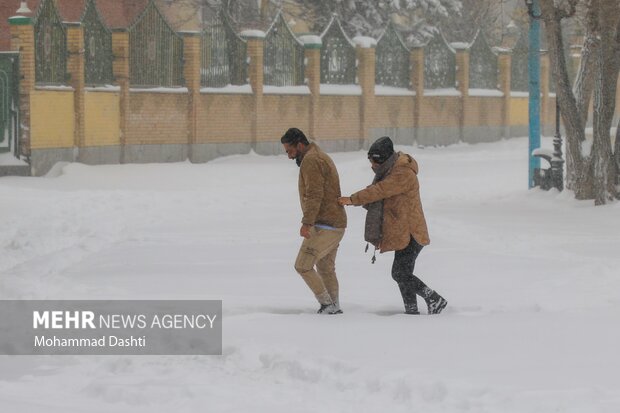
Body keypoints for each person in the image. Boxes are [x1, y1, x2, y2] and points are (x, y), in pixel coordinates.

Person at [338, 136, 447, 315]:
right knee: (403, 274)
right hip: (403, 233)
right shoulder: (391, 171)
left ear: (382, 159)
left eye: (373, 162)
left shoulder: (402, 173)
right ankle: (411, 311)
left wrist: (352, 199)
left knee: (399, 274)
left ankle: (434, 299)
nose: (372, 166)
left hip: (412, 233)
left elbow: (380, 190)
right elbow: (380, 190)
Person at [280, 128, 347, 314]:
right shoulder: (318, 156)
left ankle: (327, 304)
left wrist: (307, 223)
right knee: (325, 268)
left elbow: (314, 194)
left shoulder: (311, 160)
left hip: (326, 225)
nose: (288, 156)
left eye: (289, 151)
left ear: (300, 145)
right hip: (334, 223)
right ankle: (334, 306)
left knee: (303, 265)